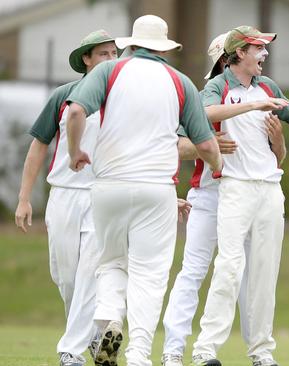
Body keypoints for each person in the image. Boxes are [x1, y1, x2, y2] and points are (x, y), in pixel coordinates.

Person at [65, 15, 222, 366]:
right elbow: (207, 144)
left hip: (109, 186)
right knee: (149, 273)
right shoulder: (179, 81)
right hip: (157, 190)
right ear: (165, 47)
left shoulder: (109, 71)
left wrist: (75, 152)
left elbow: (75, 111)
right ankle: (138, 354)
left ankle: (111, 320)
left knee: (110, 264)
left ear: (131, 44)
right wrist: (217, 169)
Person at [191, 25, 289, 366]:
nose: (264, 55)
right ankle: (204, 352)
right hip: (236, 188)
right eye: (258, 49)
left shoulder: (268, 86)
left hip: (270, 189)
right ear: (240, 52)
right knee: (229, 267)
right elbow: (206, 114)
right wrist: (255, 105)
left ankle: (261, 353)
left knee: (265, 270)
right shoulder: (219, 85)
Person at [161, 31, 287, 366]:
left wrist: (278, 144)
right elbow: (180, 146)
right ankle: (173, 350)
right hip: (207, 194)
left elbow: (276, 156)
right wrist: (210, 145)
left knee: (250, 276)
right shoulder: (208, 98)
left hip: (250, 193)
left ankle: (258, 352)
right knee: (194, 272)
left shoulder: (259, 92)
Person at [14, 29, 117, 366]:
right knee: (67, 278)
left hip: (102, 196)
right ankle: (92, 338)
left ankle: (70, 352)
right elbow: (38, 147)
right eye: (103, 54)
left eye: (115, 53)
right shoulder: (64, 95)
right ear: (86, 59)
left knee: (90, 273)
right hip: (64, 196)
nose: (110, 60)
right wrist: (24, 198)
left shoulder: (121, 97)